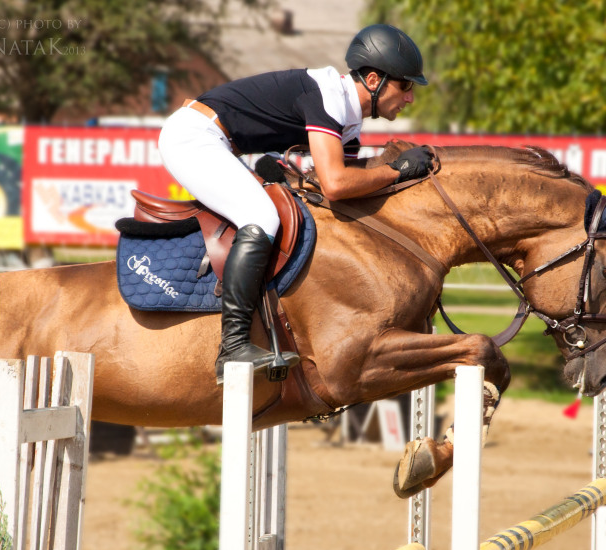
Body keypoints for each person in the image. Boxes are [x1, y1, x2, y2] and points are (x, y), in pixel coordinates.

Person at [157, 24, 434, 382]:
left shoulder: (347, 123)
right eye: (405, 85)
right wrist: (397, 172)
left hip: (218, 141)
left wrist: (398, 172)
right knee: (261, 216)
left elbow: (345, 185)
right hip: (193, 137)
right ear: (372, 79)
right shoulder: (329, 97)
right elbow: (335, 184)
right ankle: (233, 346)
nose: (410, 97)